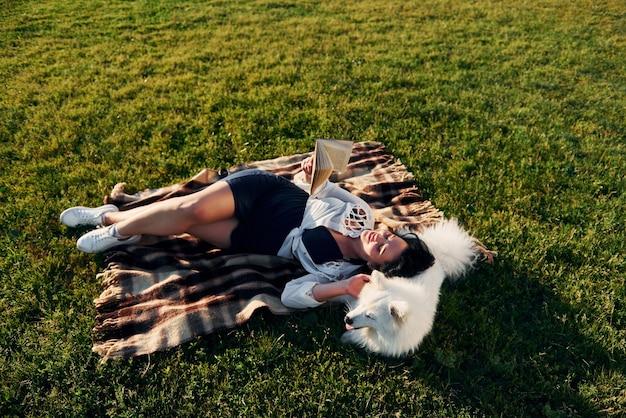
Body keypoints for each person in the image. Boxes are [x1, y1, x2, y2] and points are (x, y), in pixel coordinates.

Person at [60, 156, 435, 309]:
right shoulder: (362, 213)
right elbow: (320, 188)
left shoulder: (341, 274)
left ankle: (111, 218)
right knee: (188, 209)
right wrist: (311, 171)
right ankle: (117, 229)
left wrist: (343, 290)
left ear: (378, 269)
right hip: (269, 195)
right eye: (389, 235)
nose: (379, 237)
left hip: (258, 238)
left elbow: (291, 295)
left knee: (184, 224)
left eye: (383, 249)